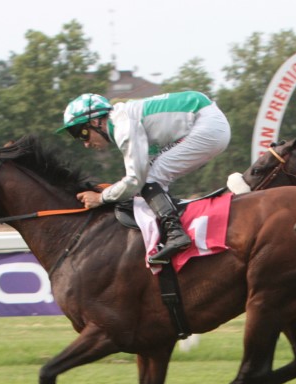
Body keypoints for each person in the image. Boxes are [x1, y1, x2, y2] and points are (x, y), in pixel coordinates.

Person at [59, 91, 231, 265]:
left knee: (149, 179)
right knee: (149, 178)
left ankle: (175, 233)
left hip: (206, 124)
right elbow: (139, 175)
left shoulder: (123, 127)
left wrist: (101, 198)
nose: (86, 143)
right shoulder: (122, 120)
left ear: (95, 122)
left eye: (83, 134)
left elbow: (136, 180)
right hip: (204, 120)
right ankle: (172, 227)